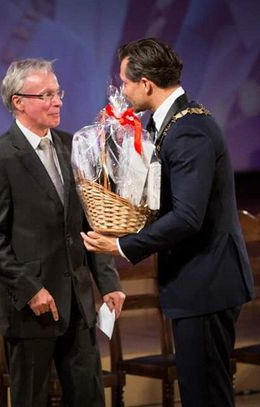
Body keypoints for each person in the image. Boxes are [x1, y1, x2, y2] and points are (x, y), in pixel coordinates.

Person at [81, 38, 255, 407]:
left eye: (125, 82)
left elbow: (188, 216)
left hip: (206, 283)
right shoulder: (174, 122)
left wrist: (122, 245)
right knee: (198, 390)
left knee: (206, 393)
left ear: (146, 84)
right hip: (196, 282)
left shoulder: (189, 129)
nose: (123, 90)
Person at [0, 58, 125, 407]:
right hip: (32, 309)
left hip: (78, 303)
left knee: (89, 398)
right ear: (18, 101)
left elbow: (90, 224)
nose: (57, 101)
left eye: (58, 93)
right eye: (46, 94)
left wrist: (109, 282)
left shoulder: (73, 146)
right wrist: (31, 289)